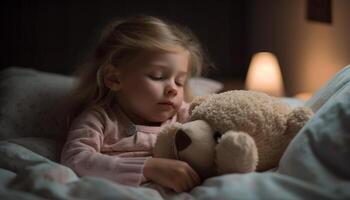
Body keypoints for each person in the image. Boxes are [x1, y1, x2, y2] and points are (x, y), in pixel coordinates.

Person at [60, 15, 211, 193]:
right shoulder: (100, 119)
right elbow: (75, 159)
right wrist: (149, 168)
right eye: (157, 76)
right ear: (114, 78)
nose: (173, 89)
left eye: (179, 81)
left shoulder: (186, 116)